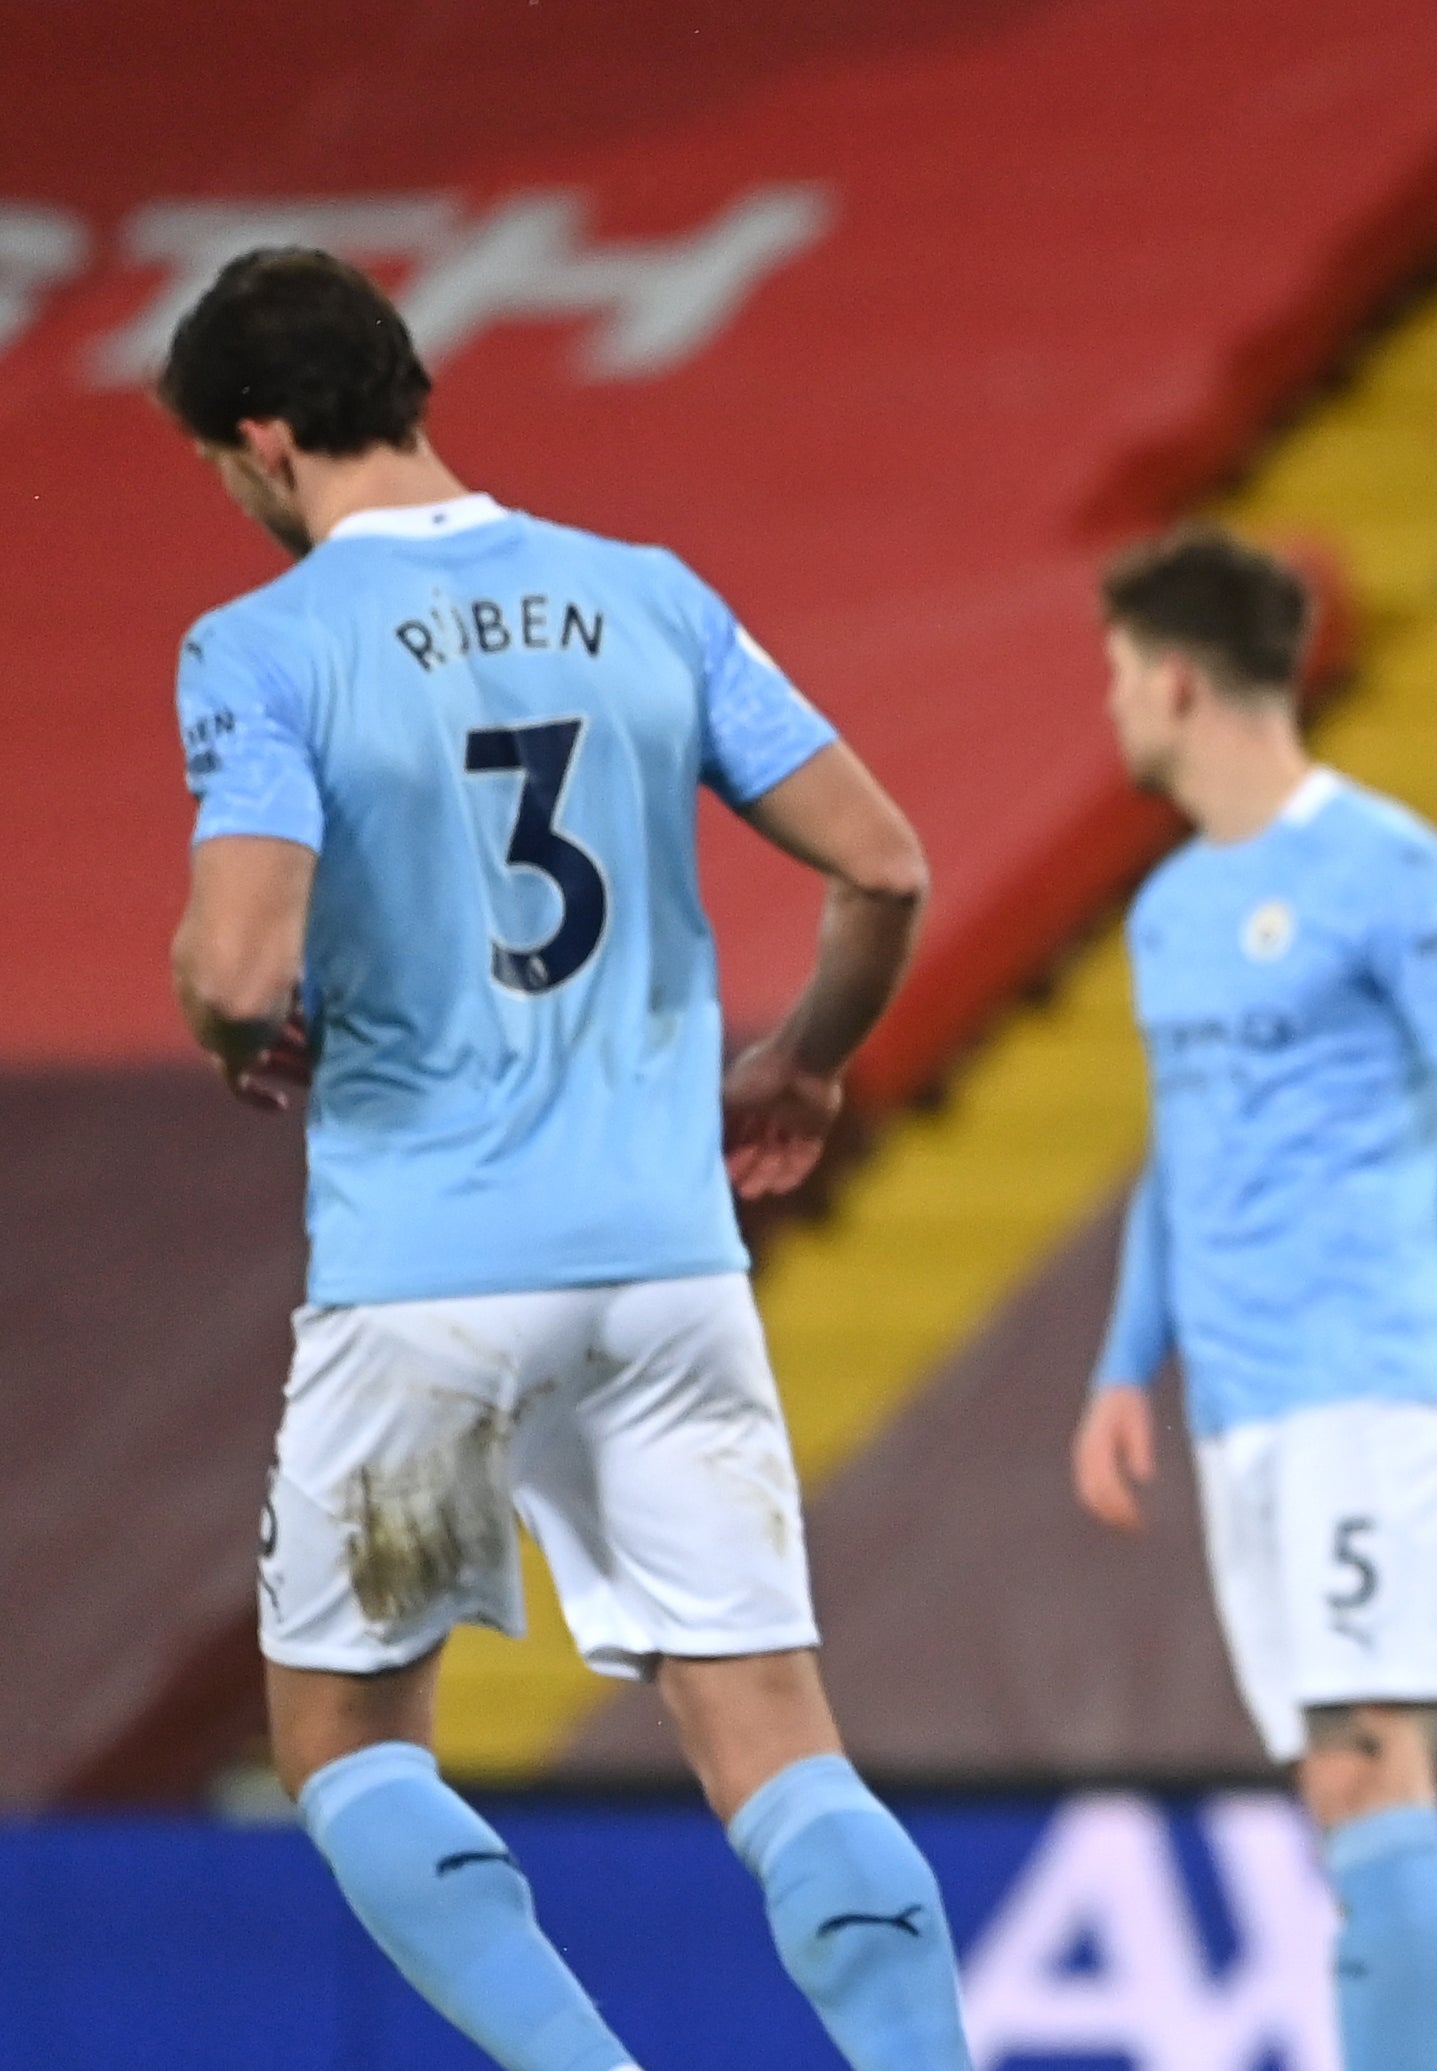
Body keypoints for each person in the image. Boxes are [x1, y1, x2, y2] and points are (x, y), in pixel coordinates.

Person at [161, 249, 970, 2070]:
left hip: (425, 1276)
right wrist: (804, 1066)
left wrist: (234, 1030)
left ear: (266, 439)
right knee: (775, 1739)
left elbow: (237, 967)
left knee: (352, 1745)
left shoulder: (266, 646)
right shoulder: (647, 596)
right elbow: (887, 866)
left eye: (224, 467)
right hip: (669, 1269)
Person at [1066, 527, 1437, 2071]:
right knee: (1356, 1806)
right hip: (1244, 1410)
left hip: (1375, 1387)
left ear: (1178, 681)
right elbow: (1182, 1155)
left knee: (1371, 1774)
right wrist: (1128, 1365)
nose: (1111, 706)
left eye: (1120, 675)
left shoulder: (1392, 870)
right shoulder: (1170, 910)